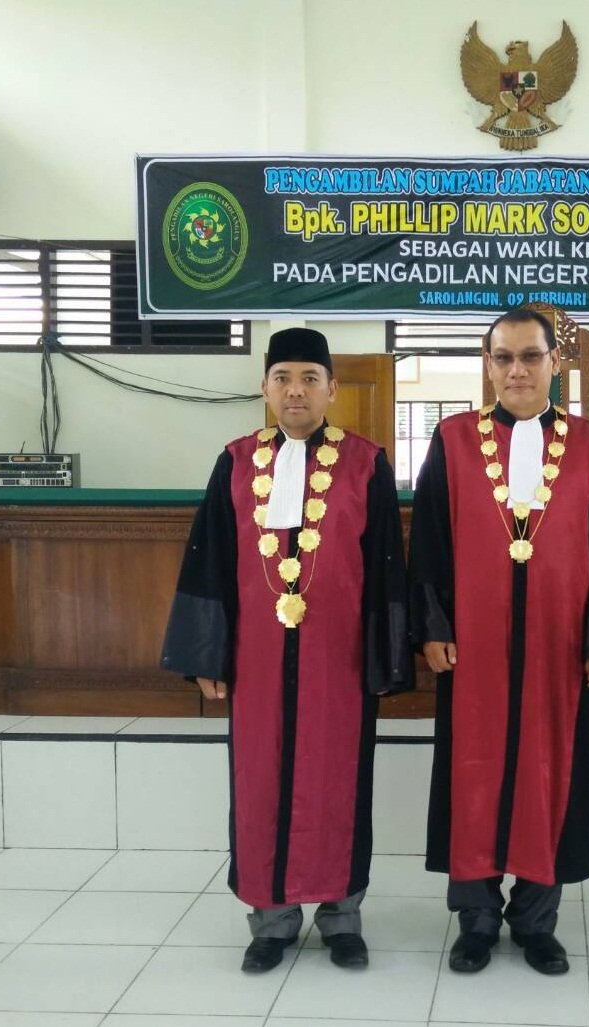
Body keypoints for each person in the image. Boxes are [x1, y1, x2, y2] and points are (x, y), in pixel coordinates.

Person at [408, 305, 589, 975]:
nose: (516, 370)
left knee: (555, 776)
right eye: (504, 357)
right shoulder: (453, 438)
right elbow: (428, 540)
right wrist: (432, 627)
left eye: (530, 356)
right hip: (473, 647)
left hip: (562, 648)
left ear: (554, 363)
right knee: (473, 776)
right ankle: (476, 920)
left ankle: (536, 921)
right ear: (488, 365)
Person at [161, 327, 411, 974]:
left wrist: (386, 654)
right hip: (258, 662)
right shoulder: (237, 462)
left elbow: (387, 565)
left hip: (341, 663)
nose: (295, 390)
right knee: (261, 784)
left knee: (339, 784)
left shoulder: (366, 463)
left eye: (308, 378)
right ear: (265, 388)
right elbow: (210, 563)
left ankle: (341, 918)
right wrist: (208, 656)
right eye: (282, 378)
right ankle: (270, 921)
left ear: (332, 388)